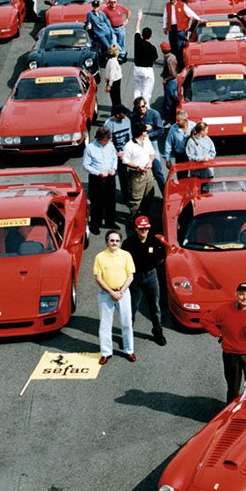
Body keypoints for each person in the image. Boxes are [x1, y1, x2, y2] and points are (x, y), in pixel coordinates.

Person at [203, 282, 246, 400]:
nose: (244, 298)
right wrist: (219, 334)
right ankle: (230, 410)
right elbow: (206, 320)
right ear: (236, 294)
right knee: (233, 387)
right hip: (231, 354)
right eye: (241, 294)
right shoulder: (225, 309)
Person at [93, 228, 136, 364]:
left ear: (120, 242)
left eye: (117, 240)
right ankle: (106, 352)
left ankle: (129, 350)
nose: (114, 243)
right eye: (112, 240)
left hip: (123, 293)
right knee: (105, 325)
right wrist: (112, 293)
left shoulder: (126, 255)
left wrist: (121, 292)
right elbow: (99, 278)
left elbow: (130, 276)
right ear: (107, 242)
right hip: (106, 294)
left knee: (126, 323)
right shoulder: (100, 257)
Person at [124, 215, 167, 346]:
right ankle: (128, 334)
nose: (144, 231)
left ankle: (158, 331)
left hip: (151, 276)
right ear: (136, 228)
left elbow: (161, 258)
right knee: (132, 307)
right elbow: (123, 261)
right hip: (135, 277)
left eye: (146, 228)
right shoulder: (128, 243)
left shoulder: (155, 241)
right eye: (141, 229)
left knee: (155, 306)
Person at [83, 126, 119, 234]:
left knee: (111, 201)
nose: (107, 141)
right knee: (96, 202)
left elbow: (114, 158)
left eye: (108, 139)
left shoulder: (110, 145)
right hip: (96, 179)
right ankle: (95, 224)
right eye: (105, 140)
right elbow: (86, 165)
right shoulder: (90, 148)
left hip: (109, 177)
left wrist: (113, 168)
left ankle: (110, 221)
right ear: (99, 139)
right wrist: (98, 173)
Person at [121, 121, 158, 219]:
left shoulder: (146, 140)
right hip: (136, 175)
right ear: (142, 132)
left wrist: (150, 161)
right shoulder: (129, 146)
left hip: (148, 173)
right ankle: (134, 218)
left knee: (149, 195)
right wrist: (137, 167)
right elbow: (125, 161)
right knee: (136, 199)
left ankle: (145, 215)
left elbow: (152, 154)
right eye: (146, 131)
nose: (147, 132)